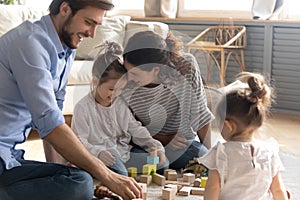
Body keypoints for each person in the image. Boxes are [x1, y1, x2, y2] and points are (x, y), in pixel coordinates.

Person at [0, 0, 142, 199]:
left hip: (8, 157)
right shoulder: (29, 42)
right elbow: (50, 123)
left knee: (78, 178)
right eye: (88, 22)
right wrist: (108, 176)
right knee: (83, 183)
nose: (92, 34)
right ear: (65, 9)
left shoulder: (66, 49)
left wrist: (58, 170)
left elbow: (52, 120)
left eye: (96, 26)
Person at [121, 30, 214, 171]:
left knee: (201, 154)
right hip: (144, 144)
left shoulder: (187, 67)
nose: (128, 77)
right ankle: (162, 165)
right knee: (153, 162)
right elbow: (126, 129)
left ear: (155, 70)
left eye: (134, 73)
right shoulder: (125, 83)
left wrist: (210, 159)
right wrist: (164, 139)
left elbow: (200, 116)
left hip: (181, 145)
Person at [71, 41, 166, 176]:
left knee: (161, 163)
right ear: (95, 81)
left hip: (124, 153)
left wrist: (155, 146)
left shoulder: (120, 104)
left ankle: (119, 171)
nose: (115, 94)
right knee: (120, 173)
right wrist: (98, 152)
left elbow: (136, 129)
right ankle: (108, 171)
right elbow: (79, 141)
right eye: (111, 89)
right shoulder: (83, 108)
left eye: (120, 89)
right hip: (101, 156)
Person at [198, 72, 289, 200]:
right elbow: (278, 190)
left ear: (228, 125)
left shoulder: (221, 153)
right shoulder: (269, 152)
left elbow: (212, 188)